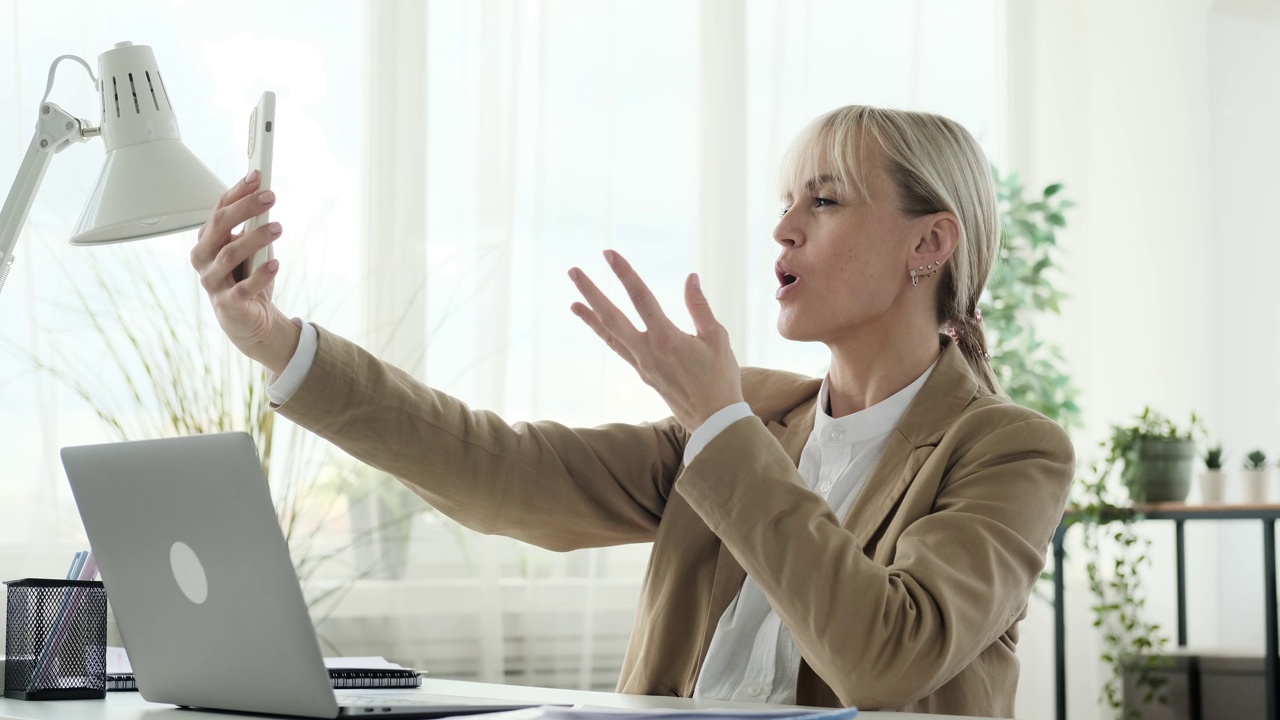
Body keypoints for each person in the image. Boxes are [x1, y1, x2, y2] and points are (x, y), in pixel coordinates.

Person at [191, 105, 1074, 717]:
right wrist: (278, 340)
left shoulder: (1008, 451)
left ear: (930, 242)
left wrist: (720, 427)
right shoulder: (759, 416)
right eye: (786, 201)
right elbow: (502, 473)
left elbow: (886, 657)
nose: (784, 229)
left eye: (825, 199)